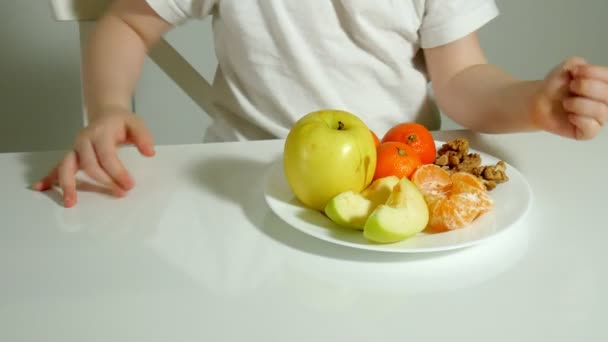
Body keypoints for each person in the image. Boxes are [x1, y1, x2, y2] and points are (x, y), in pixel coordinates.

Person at [35, 0, 608, 208]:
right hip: (244, 189)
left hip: (394, 191)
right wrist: (110, 107)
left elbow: (462, 78)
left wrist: (534, 103)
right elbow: (124, 25)